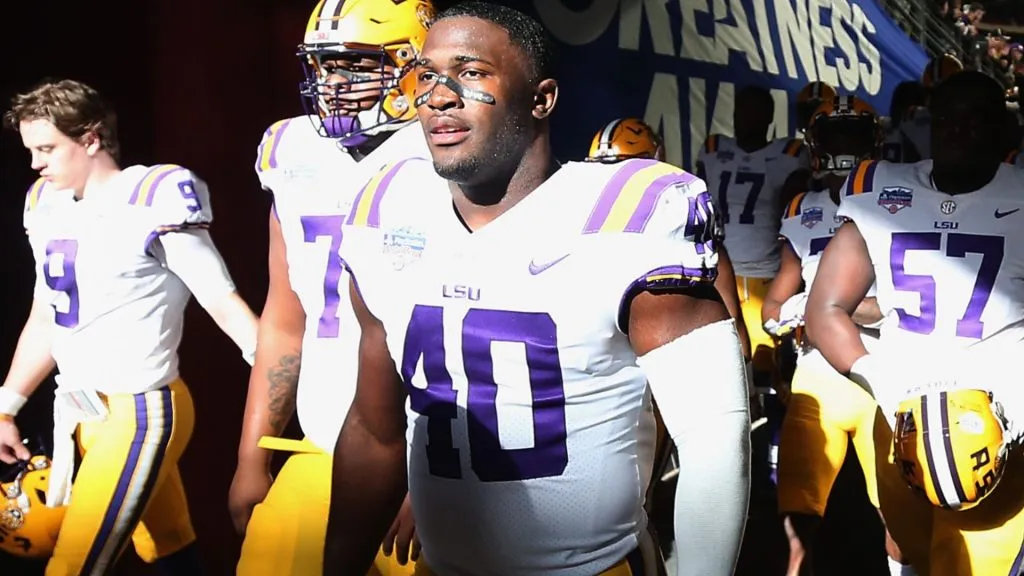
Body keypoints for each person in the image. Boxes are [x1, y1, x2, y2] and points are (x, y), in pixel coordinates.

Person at [324, 3, 751, 576]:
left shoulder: (627, 217)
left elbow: (714, 441)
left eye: (470, 72)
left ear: (541, 98)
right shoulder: (388, 207)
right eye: (427, 75)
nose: (440, 95)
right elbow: (375, 430)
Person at [0, 78, 259, 575]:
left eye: (48, 148)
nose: (36, 162)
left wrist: (282, 378)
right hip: (82, 415)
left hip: (140, 411)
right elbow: (46, 314)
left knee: (73, 565)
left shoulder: (149, 197)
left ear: (91, 138)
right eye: (32, 149)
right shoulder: (46, 204)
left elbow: (221, 300)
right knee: (171, 550)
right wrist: (8, 404)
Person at [228, 0, 433, 574]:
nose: (333, 85)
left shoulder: (447, 154)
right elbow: (285, 313)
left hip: (428, 462)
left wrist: (435, 484)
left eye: (355, 66)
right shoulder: (291, 151)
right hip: (321, 443)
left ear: (413, 67)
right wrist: (254, 452)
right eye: (322, 68)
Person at [804, 70, 1024, 576]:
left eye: (976, 120)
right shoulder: (882, 187)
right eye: (947, 119)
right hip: (902, 414)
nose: (959, 131)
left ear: (1004, 130)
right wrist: (885, 381)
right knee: (909, 549)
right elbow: (825, 309)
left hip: (1000, 421)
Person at [761, 95, 889, 575]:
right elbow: (775, 302)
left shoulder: (899, 200)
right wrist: (787, 316)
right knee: (798, 526)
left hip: (881, 373)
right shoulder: (801, 208)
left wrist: (829, 311)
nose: (842, 151)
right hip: (817, 376)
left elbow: (911, 303)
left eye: (851, 140)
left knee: (899, 524)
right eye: (834, 140)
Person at [696, 86, 811, 391]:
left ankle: (771, 437)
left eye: (754, 110)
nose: (745, 117)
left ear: (770, 117)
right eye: (741, 110)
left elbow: (796, 213)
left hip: (766, 279)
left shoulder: (790, 156)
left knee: (768, 378)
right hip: (718, 277)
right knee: (721, 372)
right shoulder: (713, 149)